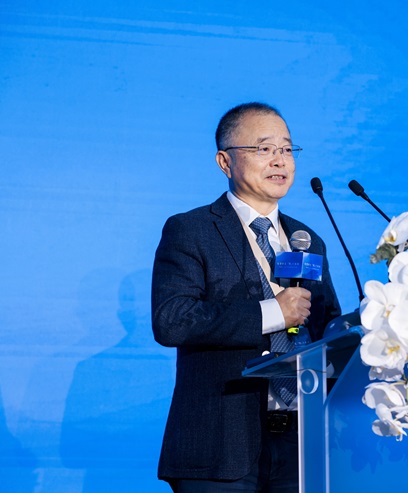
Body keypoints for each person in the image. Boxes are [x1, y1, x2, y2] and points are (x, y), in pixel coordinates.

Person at [151, 102, 341, 492]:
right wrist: (273, 313)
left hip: (301, 441)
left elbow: (326, 327)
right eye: (264, 148)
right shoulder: (192, 229)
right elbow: (173, 320)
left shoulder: (307, 239)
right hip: (220, 444)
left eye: (287, 149)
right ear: (225, 161)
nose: (280, 160)